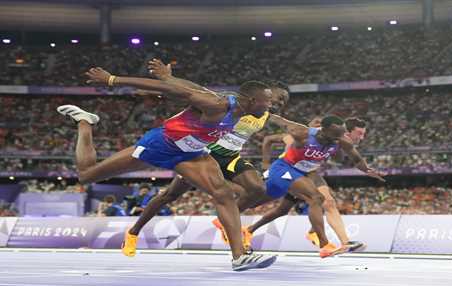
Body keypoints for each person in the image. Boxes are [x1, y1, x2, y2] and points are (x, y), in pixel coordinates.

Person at [57, 58, 276, 271]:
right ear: (250, 101)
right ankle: (85, 122)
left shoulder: (235, 107)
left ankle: (239, 257)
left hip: (191, 153)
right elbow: (169, 90)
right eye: (267, 101)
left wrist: (171, 76)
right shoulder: (217, 105)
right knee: (86, 175)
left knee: (224, 194)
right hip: (160, 146)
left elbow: (195, 87)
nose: (270, 105)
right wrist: (113, 79)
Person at [125, 80, 290, 251]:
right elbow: (198, 91)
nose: (279, 103)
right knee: (169, 195)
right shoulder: (235, 102)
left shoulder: (265, 114)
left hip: (230, 156)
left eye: (284, 101)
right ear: (265, 95)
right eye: (278, 98)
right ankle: (133, 232)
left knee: (257, 189)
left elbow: (293, 126)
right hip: (205, 153)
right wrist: (166, 82)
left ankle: (223, 222)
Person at [233, 115, 385, 258]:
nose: (337, 140)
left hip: (306, 173)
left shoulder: (339, 141)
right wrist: (262, 114)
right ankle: (231, 212)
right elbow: (279, 123)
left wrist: (368, 170)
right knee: (304, 199)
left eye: (340, 136)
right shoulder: (301, 134)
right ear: (321, 130)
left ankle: (333, 241)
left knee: (297, 205)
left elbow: (355, 159)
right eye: (334, 137)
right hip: (284, 169)